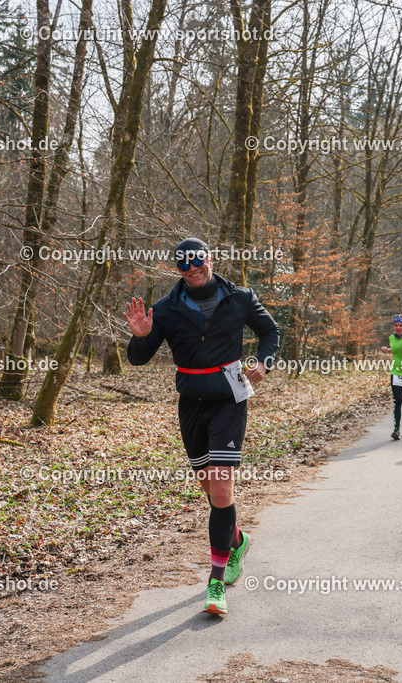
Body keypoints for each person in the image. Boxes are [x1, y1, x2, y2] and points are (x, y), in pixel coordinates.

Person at [124, 238, 280, 616]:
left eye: (197, 259)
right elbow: (138, 359)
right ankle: (236, 539)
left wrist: (264, 362)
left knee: (222, 488)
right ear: (177, 269)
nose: (192, 268)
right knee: (210, 490)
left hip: (229, 398)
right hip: (191, 402)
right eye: (183, 264)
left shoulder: (240, 297)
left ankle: (216, 582)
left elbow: (270, 332)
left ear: (210, 258)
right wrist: (141, 337)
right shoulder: (166, 308)